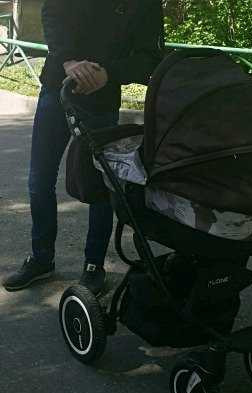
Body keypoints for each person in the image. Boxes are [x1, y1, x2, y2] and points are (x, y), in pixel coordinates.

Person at [3, 0, 164, 295]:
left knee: (101, 187)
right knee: (39, 180)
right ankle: (41, 258)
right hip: (56, 87)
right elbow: (51, 13)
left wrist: (108, 73)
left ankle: (94, 265)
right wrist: (68, 62)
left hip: (102, 99)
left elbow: (150, 58)